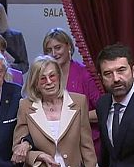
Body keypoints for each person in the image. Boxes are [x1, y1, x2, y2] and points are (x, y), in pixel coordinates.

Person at [42, 28, 102, 159]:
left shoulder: (85, 75)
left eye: (58, 48)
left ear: (68, 46)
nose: (54, 53)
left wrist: (71, 115)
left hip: (86, 146)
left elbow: (102, 111)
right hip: (54, 147)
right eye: (49, 50)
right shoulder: (44, 77)